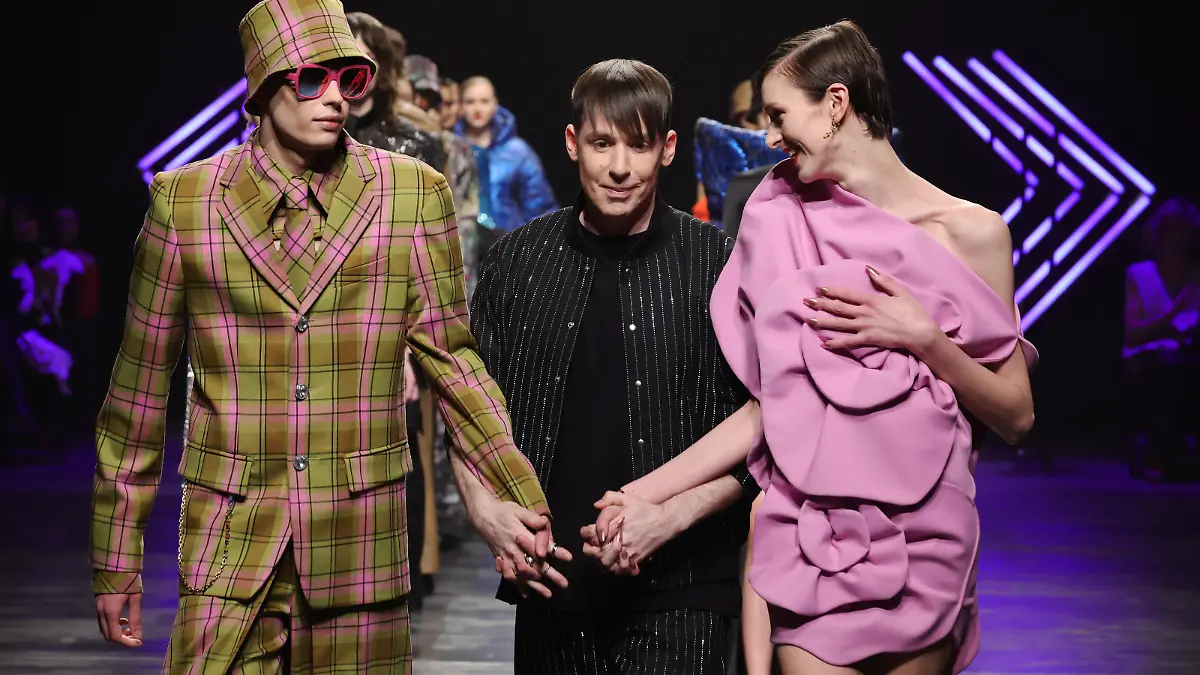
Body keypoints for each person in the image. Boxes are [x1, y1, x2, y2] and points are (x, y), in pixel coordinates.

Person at [89, 1, 552, 671]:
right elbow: (135, 394)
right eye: (312, 79)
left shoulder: (411, 195)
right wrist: (114, 559)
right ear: (262, 86)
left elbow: (455, 362)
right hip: (229, 547)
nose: (335, 97)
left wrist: (520, 495)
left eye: (351, 80)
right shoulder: (184, 204)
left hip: (358, 546)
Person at [619, 21, 1037, 675]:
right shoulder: (780, 213)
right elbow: (772, 408)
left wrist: (924, 339)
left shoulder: (975, 233)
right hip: (814, 535)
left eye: (780, 114)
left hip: (928, 534)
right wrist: (645, 493)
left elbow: (1016, 414)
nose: (769, 136)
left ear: (836, 104)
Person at [450, 59, 756, 675]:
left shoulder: (721, 264)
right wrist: (484, 512)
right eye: (601, 143)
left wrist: (670, 516)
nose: (620, 167)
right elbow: (469, 407)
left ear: (668, 149)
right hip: (552, 586)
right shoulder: (518, 263)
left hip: (684, 587)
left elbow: (768, 426)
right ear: (572, 145)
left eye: (639, 145)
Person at [1122, 196, 1200, 481]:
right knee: (1166, 369)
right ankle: (1156, 452)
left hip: (1189, 354)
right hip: (1148, 358)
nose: (1178, 241)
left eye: (1185, 233)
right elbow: (1133, 333)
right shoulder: (1140, 274)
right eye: (1172, 232)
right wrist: (1171, 319)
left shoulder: (1196, 277)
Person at [454, 76, 558, 235]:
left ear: (495, 104)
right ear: (460, 106)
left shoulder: (517, 152)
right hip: (461, 243)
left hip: (508, 244)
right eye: (470, 102)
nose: (477, 109)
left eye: (484, 101)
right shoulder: (450, 147)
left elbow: (539, 206)